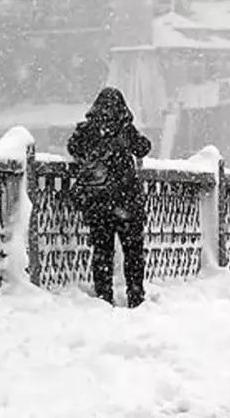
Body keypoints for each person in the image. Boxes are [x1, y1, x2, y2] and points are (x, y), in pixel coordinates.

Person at [68, 86, 151, 308]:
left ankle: (104, 297)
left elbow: (73, 147)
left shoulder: (88, 129)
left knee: (102, 252)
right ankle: (136, 295)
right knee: (133, 252)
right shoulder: (125, 129)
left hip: (99, 202)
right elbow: (143, 148)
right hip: (127, 202)